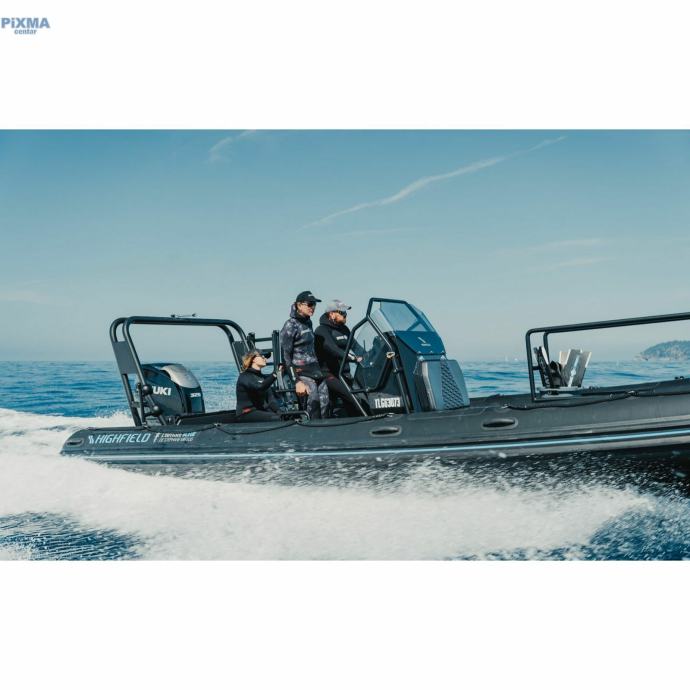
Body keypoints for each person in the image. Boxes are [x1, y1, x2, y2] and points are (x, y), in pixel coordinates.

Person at [279, 290, 329, 419]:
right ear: (299, 305)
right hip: (302, 373)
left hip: (316, 371)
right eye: (310, 304)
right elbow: (285, 356)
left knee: (325, 403)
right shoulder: (290, 325)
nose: (313, 307)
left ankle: (326, 429)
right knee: (314, 403)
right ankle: (313, 430)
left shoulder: (308, 322)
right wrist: (297, 381)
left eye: (314, 304)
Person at [315, 299, 363, 417]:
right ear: (332, 314)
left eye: (346, 312)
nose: (345, 315)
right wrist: (354, 358)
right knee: (352, 398)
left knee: (361, 398)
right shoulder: (321, 330)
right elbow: (333, 349)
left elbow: (356, 347)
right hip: (328, 374)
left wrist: (369, 355)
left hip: (344, 374)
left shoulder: (344, 330)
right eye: (342, 312)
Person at [235, 350, 281, 423]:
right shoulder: (245, 376)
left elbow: (271, 400)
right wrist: (275, 374)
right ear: (253, 359)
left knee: (284, 417)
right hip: (246, 413)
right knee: (277, 418)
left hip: (260, 411)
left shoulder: (263, 378)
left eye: (265, 357)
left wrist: (279, 412)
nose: (265, 358)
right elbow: (259, 387)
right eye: (262, 356)